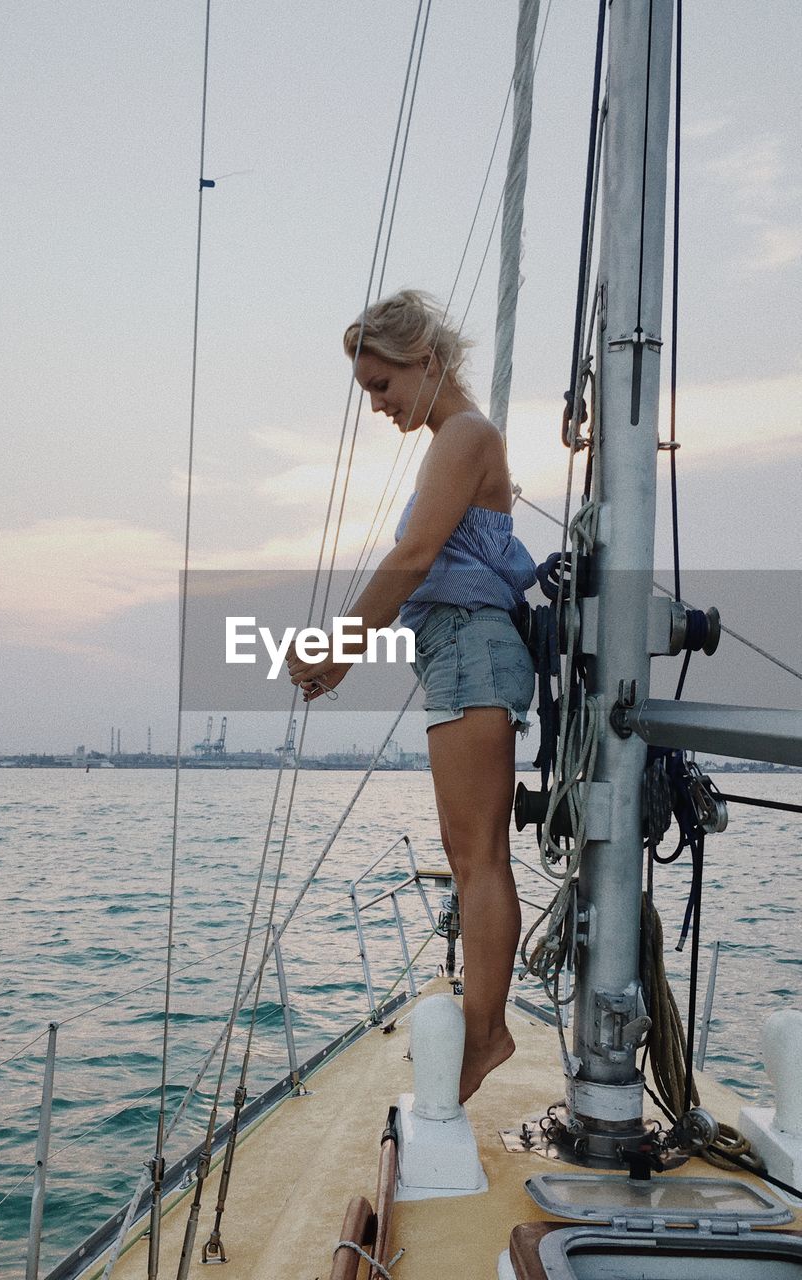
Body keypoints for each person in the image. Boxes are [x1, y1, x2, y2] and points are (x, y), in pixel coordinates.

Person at [286, 290, 536, 1104]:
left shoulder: (466, 433)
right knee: (473, 858)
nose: (378, 405)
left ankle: (484, 1035)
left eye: (381, 384)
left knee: (476, 861)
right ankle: (481, 1029)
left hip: (469, 654)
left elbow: (416, 554)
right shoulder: (457, 438)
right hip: (459, 655)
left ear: (424, 361)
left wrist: (338, 648)